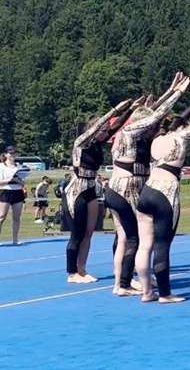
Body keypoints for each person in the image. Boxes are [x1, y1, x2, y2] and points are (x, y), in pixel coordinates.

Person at [135, 81, 190, 303]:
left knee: (145, 245)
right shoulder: (179, 138)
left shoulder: (155, 140)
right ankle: (165, 293)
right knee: (162, 245)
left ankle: (146, 291)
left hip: (147, 190)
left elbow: (176, 120)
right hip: (166, 193)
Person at [107, 79, 184, 296]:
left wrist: (169, 90)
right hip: (128, 186)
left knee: (122, 235)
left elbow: (150, 113)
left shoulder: (122, 136)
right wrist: (176, 94)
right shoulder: (132, 134)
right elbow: (155, 116)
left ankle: (119, 281)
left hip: (114, 187)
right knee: (135, 238)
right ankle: (124, 282)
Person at [67, 100, 132, 283]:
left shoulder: (98, 142)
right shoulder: (81, 142)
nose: (105, 133)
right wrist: (116, 109)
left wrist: (131, 109)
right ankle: (72, 273)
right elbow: (102, 125)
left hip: (91, 188)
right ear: (94, 128)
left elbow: (116, 126)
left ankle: (82, 269)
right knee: (77, 234)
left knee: (89, 232)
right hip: (77, 189)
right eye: (101, 130)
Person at [0, 146, 27, 244]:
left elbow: (23, 183)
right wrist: (8, 180)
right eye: (10, 153)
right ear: (6, 154)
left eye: (14, 153)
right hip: (5, 191)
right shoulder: (1, 166)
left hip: (17, 191)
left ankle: (15, 240)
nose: (12, 155)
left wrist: (17, 180)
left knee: (16, 218)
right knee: (2, 216)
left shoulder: (18, 167)